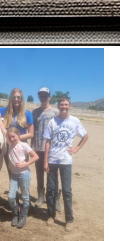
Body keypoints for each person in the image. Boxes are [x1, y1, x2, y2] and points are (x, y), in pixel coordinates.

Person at [44, 97, 88, 232]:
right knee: (51, 189)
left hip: (66, 161)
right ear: (58, 106)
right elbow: (47, 142)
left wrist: (77, 148)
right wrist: (45, 160)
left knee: (67, 191)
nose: (63, 106)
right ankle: (51, 215)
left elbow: (85, 135)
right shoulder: (52, 122)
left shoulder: (74, 121)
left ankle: (69, 219)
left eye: (66, 105)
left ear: (70, 106)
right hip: (52, 160)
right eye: (61, 105)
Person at [0, 119, 39, 228]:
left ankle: (23, 217)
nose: (12, 139)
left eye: (14, 136)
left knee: (25, 196)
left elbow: (36, 156)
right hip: (14, 175)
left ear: (19, 135)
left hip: (24, 174)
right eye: (9, 137)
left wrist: (26, 164)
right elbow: (2, 128)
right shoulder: (9, 143)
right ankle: (15, 214)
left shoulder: (24, 145)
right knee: (11, 197)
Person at [32, 87, 59, 208]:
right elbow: (33, 130)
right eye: (41, 95)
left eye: (45, 95)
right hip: (38, 147)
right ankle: (40, 196)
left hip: (51, 148)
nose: (43, 97)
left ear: (49, 97)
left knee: (52, 174)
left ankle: (54, 198)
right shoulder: (35, 112)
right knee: (39, 173)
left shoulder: (55, 112)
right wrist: (32, 148)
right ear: (39, 97)